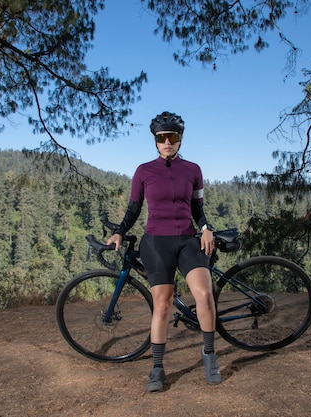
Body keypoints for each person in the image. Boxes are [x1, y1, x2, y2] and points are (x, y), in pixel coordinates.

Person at [106, 111, 221, 393]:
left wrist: (206, 227)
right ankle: (157, 368)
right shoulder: (144, 171)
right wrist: (120, 230)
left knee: (204, 296)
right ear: (155, 141)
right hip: (156, 242)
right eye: (162, 138)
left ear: (180, 140)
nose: (167, 142)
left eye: (173, 137)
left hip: (187, 240)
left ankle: (209, 354)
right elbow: (134, 208)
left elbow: (197, 208)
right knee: (163, 305)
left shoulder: (193, 169)